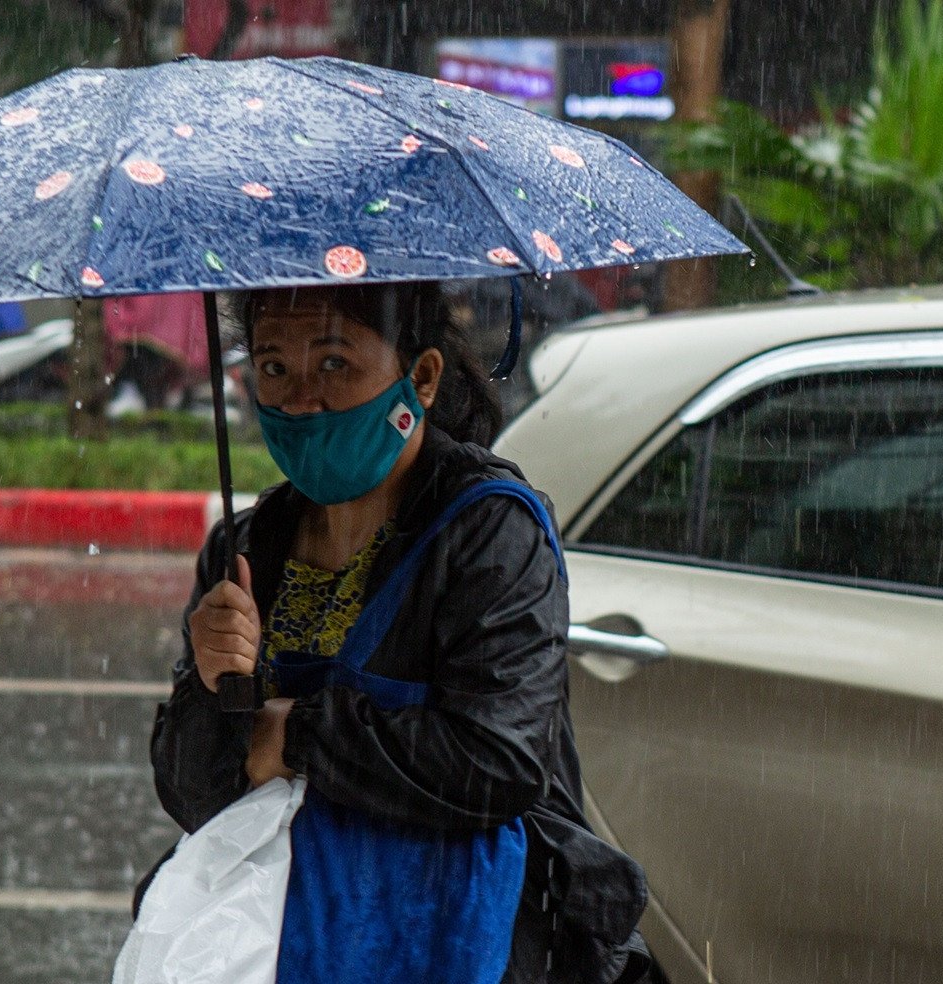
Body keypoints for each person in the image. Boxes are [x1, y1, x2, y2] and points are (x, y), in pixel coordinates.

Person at [148, 282, 651, 984]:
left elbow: (494, 765)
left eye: (333, 365)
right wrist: (209, 689)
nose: (299, 399)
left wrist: (290, 736)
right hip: (279, 941)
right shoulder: (243, 550)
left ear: (421, 376)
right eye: (272, 369)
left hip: (461, 935)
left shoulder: (488, 532)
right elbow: (195, 797)